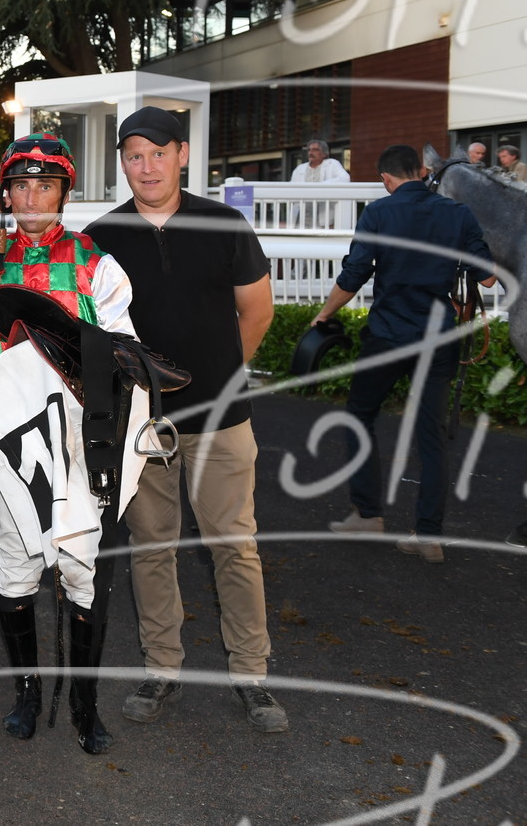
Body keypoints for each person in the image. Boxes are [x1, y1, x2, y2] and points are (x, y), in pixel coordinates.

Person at [88, 106, 288, 734]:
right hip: (143, 424)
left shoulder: (224, 225)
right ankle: (162, 668)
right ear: (123, 163)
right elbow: (93, 333)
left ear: (181, 154)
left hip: (222, 421)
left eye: (158, 153)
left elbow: (258, 312)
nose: (146, 166)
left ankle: (251, 674)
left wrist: (220, 376)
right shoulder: (101, 238)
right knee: (152, 548)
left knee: (235, 547)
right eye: (134, 155)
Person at [0, 133, 136, 754]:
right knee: (15, 562)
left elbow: (123, 353)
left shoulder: (96, 262)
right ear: (6, 195)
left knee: (82, 565)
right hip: (12, 439)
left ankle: (86, 707)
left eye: (45, 185)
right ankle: (27, 695)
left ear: (64, 192)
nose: (32, 197)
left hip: (79, 439)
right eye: (21, 185)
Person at [315, 144, 495, 563]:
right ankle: (428, 535)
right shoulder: (458, 213)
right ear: (422, 171)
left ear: (386, 179)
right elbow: (487, 279)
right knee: (432, 436)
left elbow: (354, 275)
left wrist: (323, 315)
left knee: (360, 415)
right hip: (437, 337)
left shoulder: (379, 213)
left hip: (389, 335)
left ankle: (368, 514)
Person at [288, 139, 350, 229]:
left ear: (324, 154)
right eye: (309, 150)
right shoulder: (300, 169)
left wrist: (320, 186)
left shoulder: (332, 164)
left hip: (323, 218)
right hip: (301, 218)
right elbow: (290, 190)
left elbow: (345, 179)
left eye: (315, 150)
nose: (311, 152)